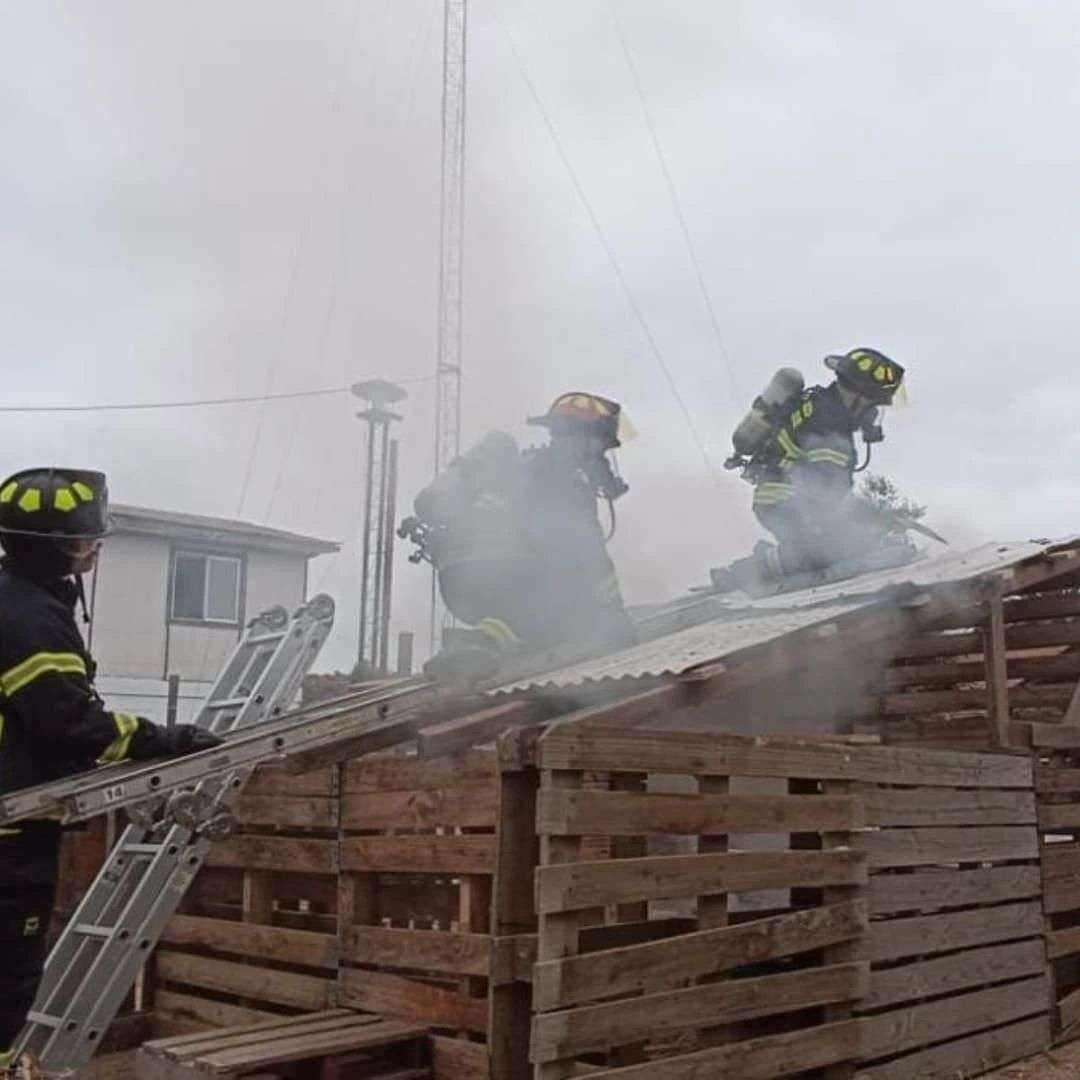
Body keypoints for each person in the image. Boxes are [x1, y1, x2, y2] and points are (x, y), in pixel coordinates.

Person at [0, 468, 223, 1071]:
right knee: (8, 972)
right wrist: (161, 739)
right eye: (83, 540)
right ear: (55, 547)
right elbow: (68, 722)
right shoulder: (31, 620)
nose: (94, 548)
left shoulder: (18, 601)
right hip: (11, 834)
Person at [402, 392, 636, 679]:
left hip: (462, 580)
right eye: (600, 447)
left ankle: (477, 644)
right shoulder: (564, 481)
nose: (600, 457)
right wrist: (615, 615)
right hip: (508, 576)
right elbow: (590, 552)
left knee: (541, 615)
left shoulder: (526, 467)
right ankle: (481, 641)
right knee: (570, 603)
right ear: (583, 440)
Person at [725, 348, 906, 589]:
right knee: (837, 551)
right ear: (858, 397)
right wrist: (871, 518)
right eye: (874, 406)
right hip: (788, 501)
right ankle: (747, 573)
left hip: (783, 498)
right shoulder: (829, 423)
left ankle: (771, 561)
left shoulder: (818, 404)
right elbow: (827, 492)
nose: (872, 416)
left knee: (842, 543)